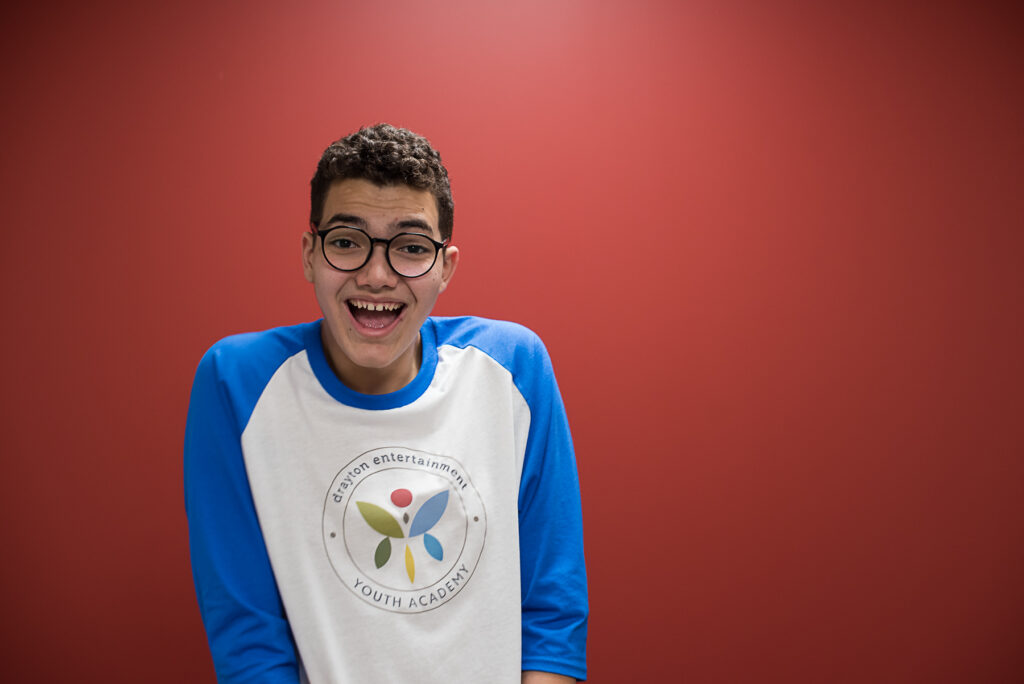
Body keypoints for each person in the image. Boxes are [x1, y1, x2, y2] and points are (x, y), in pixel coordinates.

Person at [184, 123, 588, 683]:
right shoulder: (238, 383)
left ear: (445, 267)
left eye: (411, 248)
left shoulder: (513, 370)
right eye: (347, 241)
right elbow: (247, 637)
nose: (377, 276)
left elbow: (553, 616)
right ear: (309, 254)